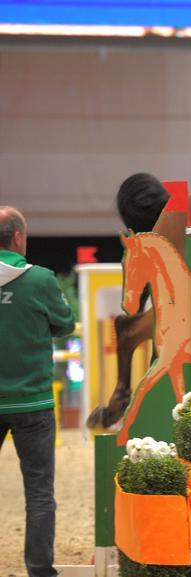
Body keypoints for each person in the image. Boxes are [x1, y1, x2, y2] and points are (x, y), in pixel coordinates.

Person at [0, 206, 75, 577]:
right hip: (33, 402)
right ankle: (39, 571)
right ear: (17, 238)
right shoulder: (41, 279)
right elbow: (65, 324)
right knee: (39, 494)